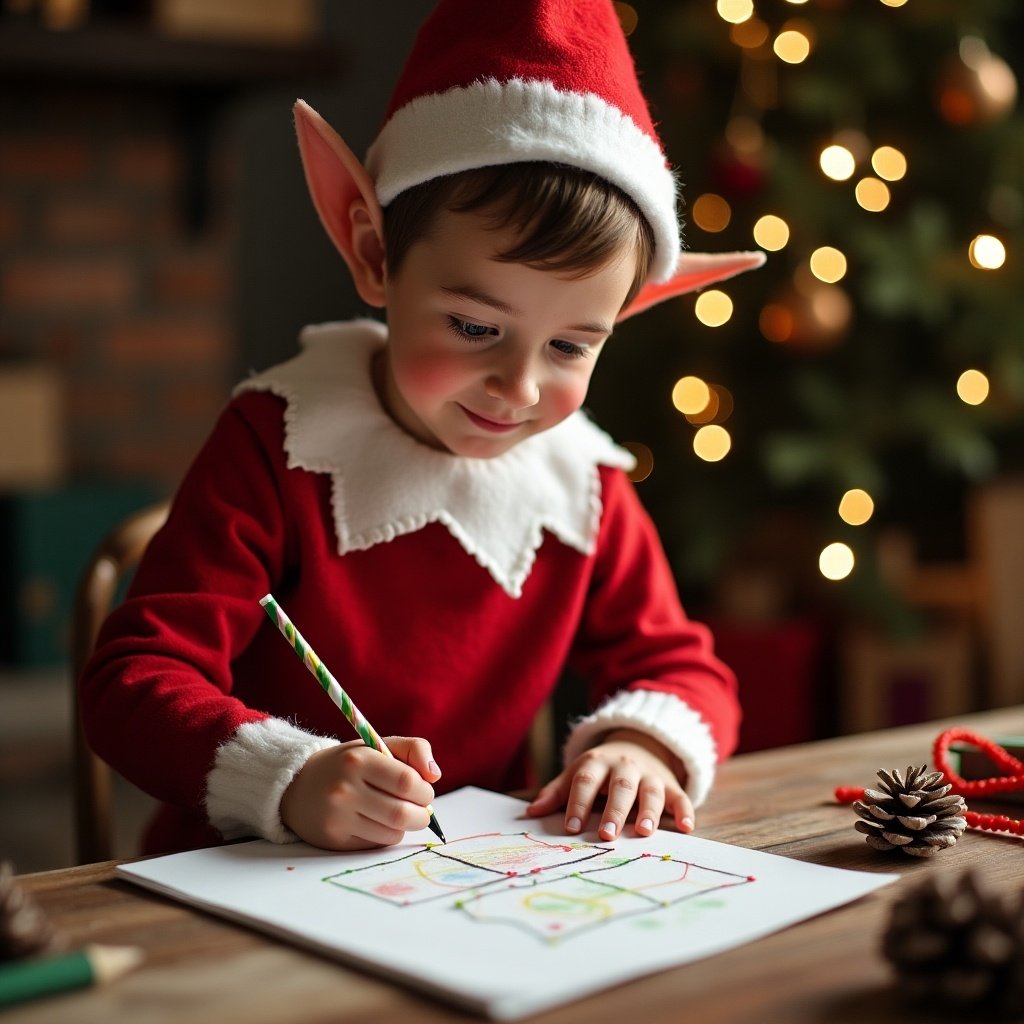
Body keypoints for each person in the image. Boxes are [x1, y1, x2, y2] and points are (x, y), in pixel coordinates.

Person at [79, 0, 764, 856]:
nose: (518, 387)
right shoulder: (279, 444)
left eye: (569, 346)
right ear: (374, 255)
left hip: (461, 886)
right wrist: (288, 780)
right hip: (235, 877)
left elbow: (686, 670)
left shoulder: (583, 482)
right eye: (475, 328)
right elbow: (133, 681)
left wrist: (641, 745)